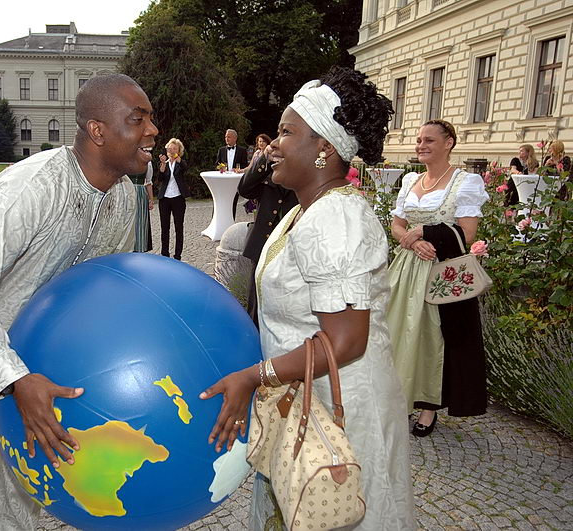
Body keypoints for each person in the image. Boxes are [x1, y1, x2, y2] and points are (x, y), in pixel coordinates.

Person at [0, 73, 155, 529]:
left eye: (151, 119)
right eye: (138, 119)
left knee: (23, 490)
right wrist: (10, 375)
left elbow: (95, 289)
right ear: (97, 130)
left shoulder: (123, 198)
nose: (153, 131)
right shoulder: (36, 184)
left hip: (36, 368)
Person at [200, 67, 416, 530]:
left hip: (341, 410)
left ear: (325, 149)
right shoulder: (305, 209)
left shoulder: (336, 218)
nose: (272, 145)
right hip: (302, 400)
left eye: (286, 132)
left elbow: (346, 342)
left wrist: (255, 376)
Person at [386, 119, 489, 437]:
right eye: (419, 140)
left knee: (434, 340)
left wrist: (426, 231)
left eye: (429, 140)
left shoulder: (465, 182)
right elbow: (397, 226)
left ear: (449, 143)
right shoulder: (411, 180)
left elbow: (467, 234)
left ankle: (428, 407)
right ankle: (399, 398)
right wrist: (413, 240)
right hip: (406, 270)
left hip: (441, 273)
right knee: (399, 333)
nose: (421, 145)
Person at [237, 137, 298, 325]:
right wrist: (263, 160)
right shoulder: (267, 170)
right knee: (256, 306)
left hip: (290, 248)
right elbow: (244, 189)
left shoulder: (303, 175)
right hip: (263, 246)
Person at [157, 138, 189, 260]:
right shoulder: (164, 163)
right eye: (170, 148)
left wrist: (178, 159)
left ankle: (177, 256)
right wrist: (163, 165)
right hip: (164, 198)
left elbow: (185, 168)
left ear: (179, 150)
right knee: (164, 228)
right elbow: (160, 179)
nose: (171, 150)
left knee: (178, 227)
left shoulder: (181, 163)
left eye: (174, 149)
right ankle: (164, 254)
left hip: (178, 198)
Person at [216, 129, 249, 219]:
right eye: (226, 137)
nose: (226, 139)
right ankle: (221, 220)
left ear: (235, 138)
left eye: (229, 137)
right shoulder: (221, 150)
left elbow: (245, 165)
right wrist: (220, 168)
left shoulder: (242, 150)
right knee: (221, 202)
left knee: (233, 202)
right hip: (223, 181)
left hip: (235, 181)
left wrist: (238, 170)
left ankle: (231, 220)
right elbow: (217, 164)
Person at [128, 160, 154, 252]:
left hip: (140, 193)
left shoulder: (147, 163)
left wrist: (151, 200)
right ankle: (127, 247)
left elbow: (148, 183)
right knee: (128, 220)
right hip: (127, 192)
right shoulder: (126, 159)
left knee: (140, 220)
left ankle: (140, 246)